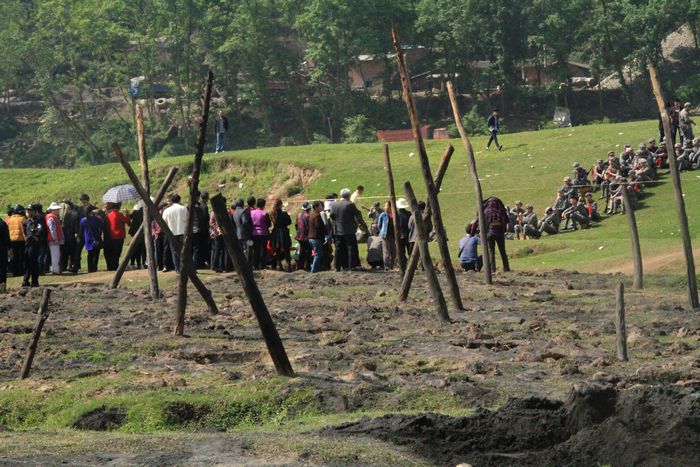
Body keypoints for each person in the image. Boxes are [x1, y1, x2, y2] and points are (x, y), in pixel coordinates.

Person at [329, 188, 364, 271]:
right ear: (349, 195)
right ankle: (351, 266)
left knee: (338, 249)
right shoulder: (350, 204)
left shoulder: (334, 205)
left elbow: (331, 216)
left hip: (337, 231)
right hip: (349, 230)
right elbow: (358, 214)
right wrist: (360, 224)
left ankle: (337, 267)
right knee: (351, 248)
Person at [483, 196, 510, 272]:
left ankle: (492, 269)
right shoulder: (501, 210)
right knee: (502, 251)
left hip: (490, 233)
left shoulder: (485, 210)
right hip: (500, 232)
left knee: (491, 251)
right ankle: (506, 268)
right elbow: (506, 220)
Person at [162, 194, 188, 273]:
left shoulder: (167, 210)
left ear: (172, 201)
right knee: (184, 250)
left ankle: (178, 269)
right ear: (179, 200)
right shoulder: (184, 208)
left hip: (171, 233)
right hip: (182, 232)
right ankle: (185, 267)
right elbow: (187, 220)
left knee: (174, 251)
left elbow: (164, 222)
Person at [103, 202, 130, 271]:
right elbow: (127, 221)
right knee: (117, 253)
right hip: (119, 236)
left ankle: (110, 266)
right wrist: (127, 214)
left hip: (110, 236)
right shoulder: (119, 214)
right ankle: (115, 265)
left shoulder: (108, 214)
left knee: (110, 252)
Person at [22, 204, 43, 287]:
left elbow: (40, 230)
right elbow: (25, 230)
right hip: (27, 243)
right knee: (26, 262)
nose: (29, 212)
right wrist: (27, 237)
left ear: (34, 211)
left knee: (33, 262)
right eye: (28, 210)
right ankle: (25, 280)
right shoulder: (27, 220)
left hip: (34, 243)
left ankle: (34, 281)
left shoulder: (38, 220)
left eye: (30, 210)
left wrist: (34, 237)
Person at [269, 199, 292, 272]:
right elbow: (289, 222)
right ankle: (289, 266)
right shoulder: (284, 214)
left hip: (276, 232)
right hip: (283, 232)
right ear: (280, 205)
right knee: (287, 249)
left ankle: (279, 266)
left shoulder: (272, 213)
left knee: (277, 250)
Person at [73, 193, 93, 272]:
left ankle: (91, 268)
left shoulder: (93, 209)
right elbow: (76, 221)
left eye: (84, 201)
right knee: (77, 251)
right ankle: (76, 267)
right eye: (82, 202)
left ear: (88, 201)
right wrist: (76, 232)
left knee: (90, 251)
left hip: (89, 233)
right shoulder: (79, 209)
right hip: (81, 233)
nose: (83, 203)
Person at [79, 206, 103, 273]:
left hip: (88, 239)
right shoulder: (96, 219)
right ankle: (94, 268)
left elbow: (81, 230)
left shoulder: (83, 220)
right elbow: (100, 227)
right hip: (96, 238)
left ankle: (90, 268)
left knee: (90, 254)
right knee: (96, 254)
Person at [308, 200, 329, 273]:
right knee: (318, 255)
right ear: (316, 207)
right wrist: (325, 230)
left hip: (311, 237)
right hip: (316, 238)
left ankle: (314, 267)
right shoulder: (316, 216)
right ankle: (313, 270)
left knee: (315, 254)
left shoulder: (311, 214)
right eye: (321, 206)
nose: (322, 207)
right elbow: (318, 227)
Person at [251, 198, 271, 270]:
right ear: (264, 205)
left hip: (254, 233)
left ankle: (255, 265)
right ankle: (262, 265)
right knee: (263, 250)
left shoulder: (251, 213)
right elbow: (269, 224)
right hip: (263, 234)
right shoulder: (264, 213)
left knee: (256, 250)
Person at [376, 201, 396, 270]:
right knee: (386, 251)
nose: (385, 207)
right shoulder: (383, 215)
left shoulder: (395, 214)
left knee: (393, 252)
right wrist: (382, 231)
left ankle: (391, 266)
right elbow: (379, 225)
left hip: (393, 235)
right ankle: (387, 267)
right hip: (385, 235)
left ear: (390, 207)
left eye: (386, 206)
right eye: (385, 206)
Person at [45, 203, 64, 275]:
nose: (58, 211)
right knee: (55, 256)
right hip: (53, 240)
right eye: (57, 210)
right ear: (53, 210)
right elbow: (52, 229)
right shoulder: (51, 218)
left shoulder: (51, 217)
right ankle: (55, 270)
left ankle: (55, 269)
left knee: (55, 255)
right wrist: (55, 238)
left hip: (53, 239)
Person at [7, 205, 26, 277]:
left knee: (14, 257)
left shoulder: (10, 219)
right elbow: (24, 231)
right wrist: (26, 239)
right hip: (21, 240)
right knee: (21, 257)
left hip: (12, 240)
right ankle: (21, 271)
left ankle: (15, 272)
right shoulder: (22, 218)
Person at [234, 197, 253, 264]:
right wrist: (250, 229)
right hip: (245, 233)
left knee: (241, 250)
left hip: (237, 233)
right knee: (247, 250)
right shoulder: (244, 211)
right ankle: (246, 264)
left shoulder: (235, 212)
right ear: (242, 204)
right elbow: (245, 222)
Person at [294, 202, 312, 271]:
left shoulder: (299, 215)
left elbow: (296, 224)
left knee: (302, 251)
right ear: (309, 209)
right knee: (308, 251)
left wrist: (298, 231)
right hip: (306, 236)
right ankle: (307, 266)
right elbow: (309, 227)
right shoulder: (308, 216)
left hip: (299, 236)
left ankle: (300, 266)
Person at [0, 214, 8, 292]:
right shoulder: (2, 224)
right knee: (2, 268)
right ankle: (2, 286)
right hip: (2, 249)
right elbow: (7, 238)